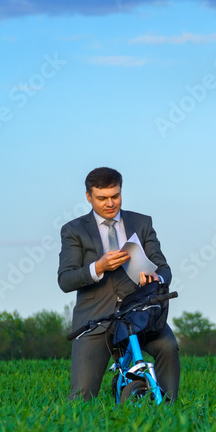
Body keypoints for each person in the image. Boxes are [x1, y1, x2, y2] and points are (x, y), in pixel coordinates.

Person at [58, 167, 180, 402]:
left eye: (115, 196)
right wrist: (98, 267)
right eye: (102, 198)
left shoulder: (142, 223)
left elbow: (164, 268)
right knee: (81, 397)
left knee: (168, 347)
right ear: (88, 197)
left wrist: (157, 277)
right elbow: (65, 279)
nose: (110, 203)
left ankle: (169, 412)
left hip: (140, 313)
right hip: (94, 318)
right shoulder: (73, 230)